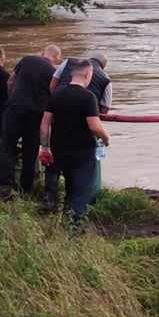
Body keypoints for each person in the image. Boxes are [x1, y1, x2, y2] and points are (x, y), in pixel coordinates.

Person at [40, 58, 109, 230]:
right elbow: (94, 126)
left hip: (59, 149)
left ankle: (64, 221)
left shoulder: (57, 94)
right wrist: (106, 138)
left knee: (70, 187)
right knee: (81, 189)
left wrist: (45, 147)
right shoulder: (88, 97)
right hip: (82, 152)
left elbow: (45, 124)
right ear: (87, 74)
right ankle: (76, 228)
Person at [0, 45, 60, 198]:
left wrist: (10, 99)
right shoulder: (54, 72)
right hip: (37, 114)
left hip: (15, 108)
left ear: (42, 53)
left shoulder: (27, 59)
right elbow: (54, 94)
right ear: (57, 58)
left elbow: (10, 81)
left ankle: (5, 187)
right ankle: (26, 190)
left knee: (7, 147)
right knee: (30, 152)